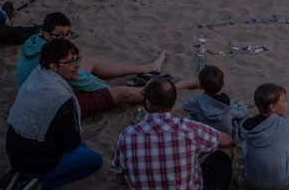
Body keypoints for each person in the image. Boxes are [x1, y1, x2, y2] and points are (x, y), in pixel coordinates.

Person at [110, 77, 235, 190]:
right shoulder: (190, 130)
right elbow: (227, 140)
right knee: (225, 152)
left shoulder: (127, 136)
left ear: (148, 103)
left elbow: (120, 180)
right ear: (173, 103)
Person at [15, 11, 198, 116]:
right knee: (123, 93)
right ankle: (177, 87)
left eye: (67, 34)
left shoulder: (36, 42)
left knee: (88, 62)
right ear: (47, 34)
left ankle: (147, 68)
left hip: (34, 92)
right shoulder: (53, 65)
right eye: (60, 35)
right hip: (57, 105)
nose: (65, 39)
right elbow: (89, 82)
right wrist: (107, 91)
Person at [4, 39, 103, 190]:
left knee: (80, 147)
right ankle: (41, 184)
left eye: (76, 59)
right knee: (95, 161)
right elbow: (70, 142)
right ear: (53, 66)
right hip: (39, 161)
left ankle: (22, 172)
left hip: (14, 152)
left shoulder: (36, 75)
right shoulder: (60, 96)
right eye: (70, 62)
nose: (77, 65)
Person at [240, 83, 289, 190]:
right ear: (272, 107)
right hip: (281, 182)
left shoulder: (247, 124)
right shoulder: (285, 123)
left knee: (245, 142)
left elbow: (242, 130)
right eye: (284, 101)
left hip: (252, 182)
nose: (286, 104)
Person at [182, 65, 247, 140]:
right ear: (223, 84)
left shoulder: (198, 101)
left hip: (205, 137)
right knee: (238, 113)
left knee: (193, 115)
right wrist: (241, 104)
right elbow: (242, 113)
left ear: (200, 86)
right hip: (226, 138)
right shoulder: (229, 104)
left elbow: (185, 106)